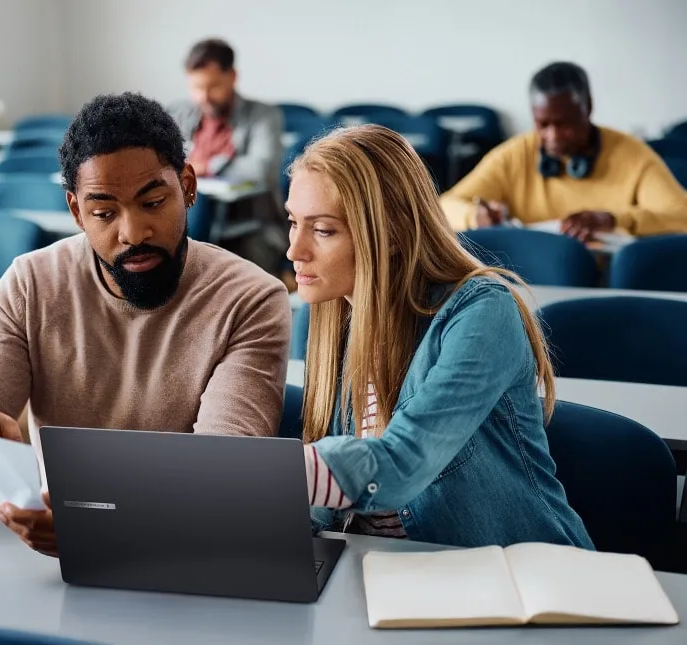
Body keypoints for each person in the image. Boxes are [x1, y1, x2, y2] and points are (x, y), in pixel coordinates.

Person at [0, 92, 291, 555]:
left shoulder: (251, 298)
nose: (132, 232)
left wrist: (100, 522)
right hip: (55, 541)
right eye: (104, 213)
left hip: (189, 548)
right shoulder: (30, 282)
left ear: (187, 185)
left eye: (154, 202)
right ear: (76, 211)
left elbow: (220, 473)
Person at [286, 124, 593, 549]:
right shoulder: (334, 315)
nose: (294, 251)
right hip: (404, 575)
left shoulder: (483, 312)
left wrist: (265, 479)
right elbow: (325, 508)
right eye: (292, 222)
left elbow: (402, 462)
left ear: (391, 233)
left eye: (322, 230)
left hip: (519, 579)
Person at [440, 62, 687, 243]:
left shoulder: (634, 155)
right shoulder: (514, 155)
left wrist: (613, 220)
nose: (553, 136)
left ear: (588, 107)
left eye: (564, 124)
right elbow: (442, 208)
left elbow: (681, 215)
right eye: (543, 124)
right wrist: (475, 216)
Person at [170, 38, 286, 272]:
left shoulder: (262, 116)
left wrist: (208, 166)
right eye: (196, 88)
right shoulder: (179, 113)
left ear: (232, 77)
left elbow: (261, 168)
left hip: (250, 223)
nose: (203, 96)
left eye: (213, 87)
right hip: (187, 214)